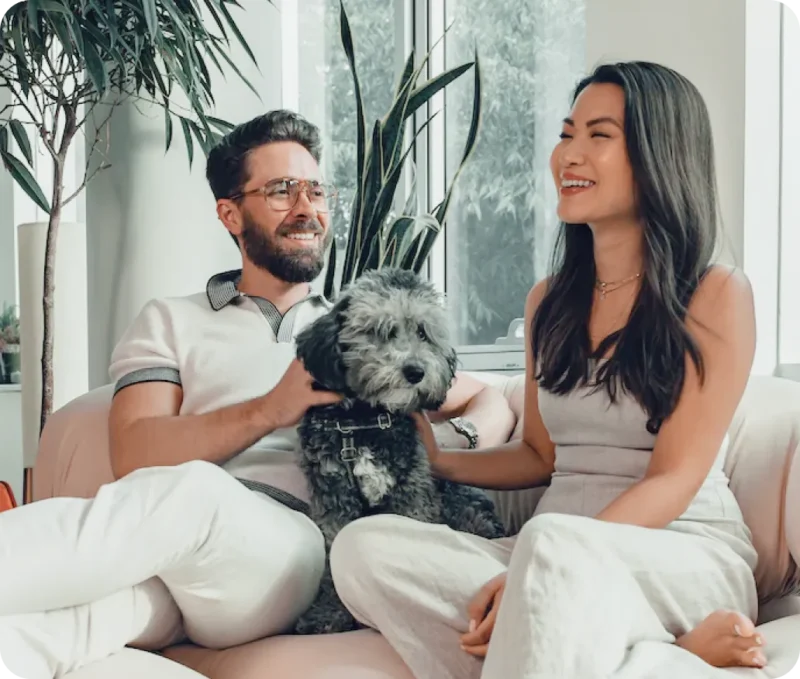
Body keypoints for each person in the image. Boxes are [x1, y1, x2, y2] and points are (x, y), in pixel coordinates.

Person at [0, 110, 517, 677]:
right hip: (188, 554)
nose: (306, 207)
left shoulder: (364, 328)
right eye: (280, 190)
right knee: (56, 629)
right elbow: (136, 454)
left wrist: (447, 443)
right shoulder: (169, 320)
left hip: (297, 547)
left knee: (193, 495)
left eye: (315, 190)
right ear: (229, 213)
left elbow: (491, 400)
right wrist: (272, 408)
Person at [328, 61, 769, 679]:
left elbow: (676, 478)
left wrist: (549, 560)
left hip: (679, 551)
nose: (569, 154)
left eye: (599, 135)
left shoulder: (716, 292)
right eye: (566, 133)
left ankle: (602, 625)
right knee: (361, 549)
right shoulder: (549, 301)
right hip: (551, 552)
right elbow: (539, 454)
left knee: (550, 549)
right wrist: (440, 460)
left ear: (657, 154)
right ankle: (654, 651)